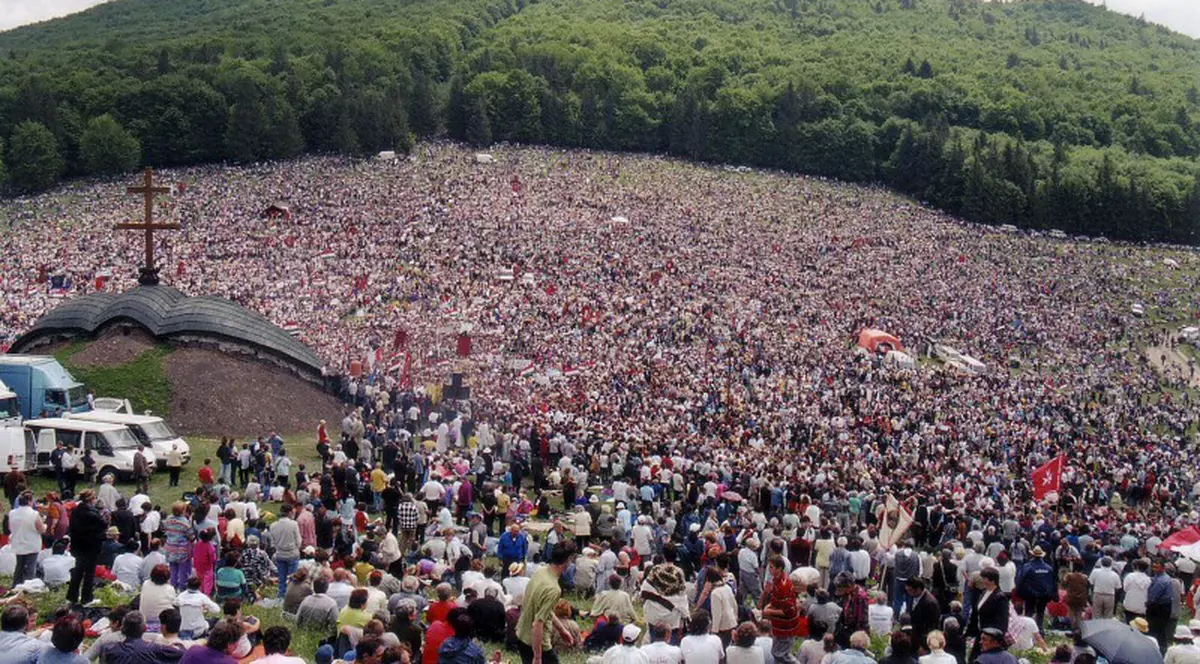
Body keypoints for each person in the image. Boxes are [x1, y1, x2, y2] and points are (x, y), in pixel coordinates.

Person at [516, 541, 578, 664]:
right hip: (538, 644)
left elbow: (544, 610)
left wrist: (562, 630)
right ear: (568, 559)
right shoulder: (553, 589)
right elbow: (538, 624)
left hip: (522, 635)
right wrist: (538, 657)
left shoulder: (541, 571)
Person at [95, 611, 185, 664]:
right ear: (144, 629)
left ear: (122, 628)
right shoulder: (154, 648)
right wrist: (179, 645)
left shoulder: (107, 649)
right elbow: (182, 654)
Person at [66, 489, 106, 606]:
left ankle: (72, 596)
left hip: (77, 546)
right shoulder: (93, 514)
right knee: (89, 573)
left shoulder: (76, 511)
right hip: (90, 547)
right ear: (91, 500)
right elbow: (103, 525)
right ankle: (87, 598)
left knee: (77, 571)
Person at [270, 504, 303, 599]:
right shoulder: (293, 524)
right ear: (289, 513)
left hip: (280, 553)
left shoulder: (273, 525)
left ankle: (281, 596)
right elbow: (299, 541)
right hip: (292, 553)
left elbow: (273, 543)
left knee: (282, 578)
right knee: (292, 578)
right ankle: (290, 596)